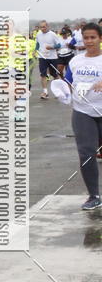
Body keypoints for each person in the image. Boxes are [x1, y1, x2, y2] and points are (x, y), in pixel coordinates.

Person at [51, 22, 102, 210]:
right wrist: (61, 90)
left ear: (100, 39)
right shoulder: (76, 61)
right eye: (86, 38)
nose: (89, 41)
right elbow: (67, 82)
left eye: (93, 37)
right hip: (83, 113)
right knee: (86, 153)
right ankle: (94, 195)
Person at [35, 21, 62, 98]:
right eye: (41, 27)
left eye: (44, 27)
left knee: (54, 75)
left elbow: (59, 45)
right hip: (42, 57)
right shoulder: (38, 34)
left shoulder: (53, 35)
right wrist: (35, 50)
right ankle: (45, 92)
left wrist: (52, 47)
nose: (42, 29)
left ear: (48, 26)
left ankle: (58, 92)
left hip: (52, 57)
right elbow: (37, 44)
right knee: (43, 75)